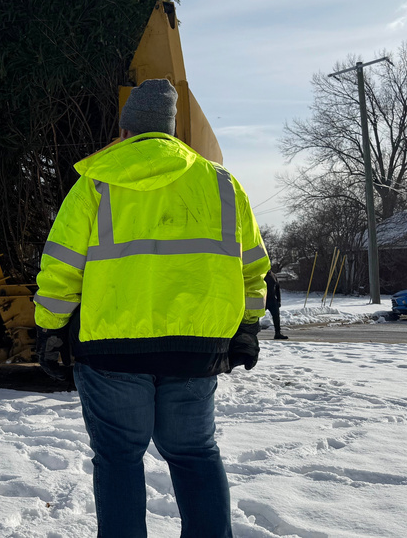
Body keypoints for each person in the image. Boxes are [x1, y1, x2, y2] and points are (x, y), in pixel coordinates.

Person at [34, 78, 269, 538]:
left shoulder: (95, 184)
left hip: (110, 350)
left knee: (119, 457)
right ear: (172, 131)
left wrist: (50, 329)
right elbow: (254, 268)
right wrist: (247, 326)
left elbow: (61, 269)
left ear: (124, 133)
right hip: (194, 350)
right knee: (195, 453)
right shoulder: (223, 185)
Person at [266, 269, 287, 340]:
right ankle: (252, 334)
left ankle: (278, 333)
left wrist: (278, 300)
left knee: (276, 317)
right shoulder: (260, 275)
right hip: (263, 299)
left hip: (272, 299)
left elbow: (277, 288)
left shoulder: (273, 275)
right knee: (256, 317)